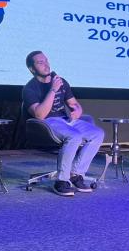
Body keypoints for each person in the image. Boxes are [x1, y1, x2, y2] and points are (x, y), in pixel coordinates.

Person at [22, 51, 105, 196]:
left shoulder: (61, 82)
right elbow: (40, 114)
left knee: (97, 134)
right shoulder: (30, 88)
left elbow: (74, 104)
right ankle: (61, 181)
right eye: (40, 62)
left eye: (46, 60)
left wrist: (77, 111)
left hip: (65, 120)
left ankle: (75, 174)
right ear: (32, 69)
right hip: (46, 123)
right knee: (74, 136)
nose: (46, 65)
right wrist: (53, 89)